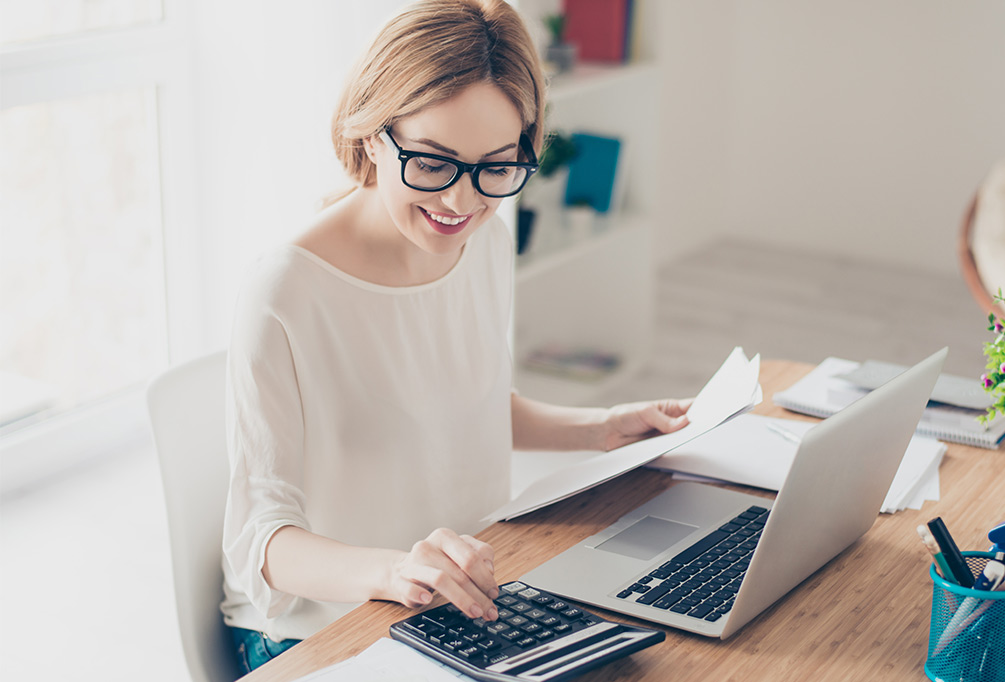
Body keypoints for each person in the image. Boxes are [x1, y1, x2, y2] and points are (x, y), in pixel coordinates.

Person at [219, 0, 691, 673]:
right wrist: (395, 571)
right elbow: (260, 541)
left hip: (460, 610)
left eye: (497, 166)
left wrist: (603, 427)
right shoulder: (286, 290)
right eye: (434, 163)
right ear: (374, 133)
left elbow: (467, 404)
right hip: (319, 634)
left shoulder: (484, 242)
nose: (462, 203)